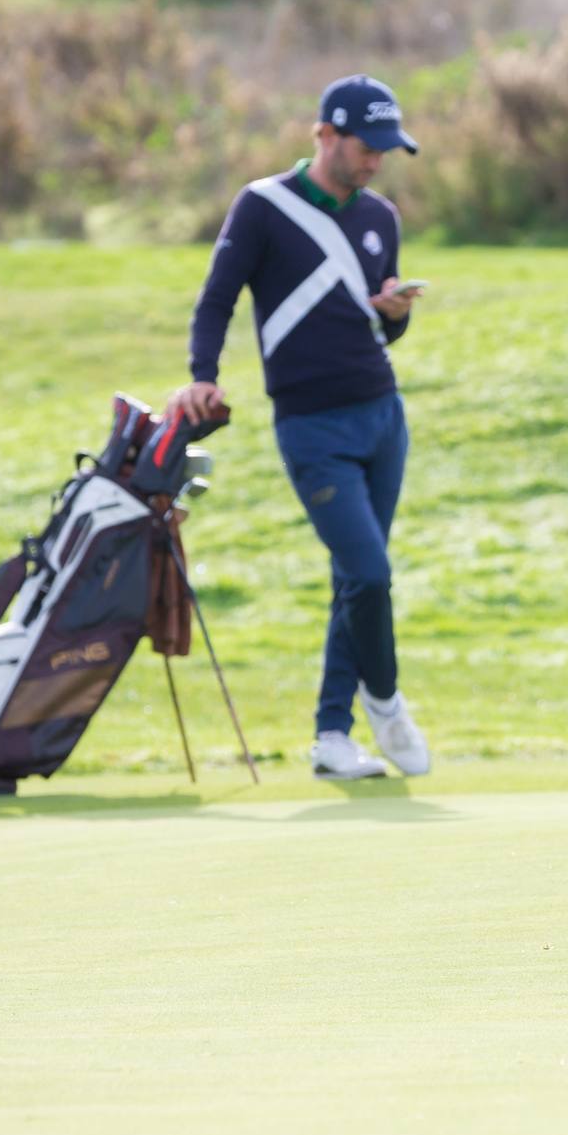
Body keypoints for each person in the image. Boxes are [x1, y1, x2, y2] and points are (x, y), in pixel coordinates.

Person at [165, 74, 431, 780]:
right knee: (370, 575)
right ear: (326, 134)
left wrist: (394, 318)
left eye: (385, 150)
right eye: (365, 146)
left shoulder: (381, 218)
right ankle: (386, 700)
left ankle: (330, 738)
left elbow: (374, 331)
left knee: (355, 576)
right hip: (312, 428)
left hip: (383, 416)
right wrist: (202, 372)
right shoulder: (262, 207)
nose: (375, 160)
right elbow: (217, 299)